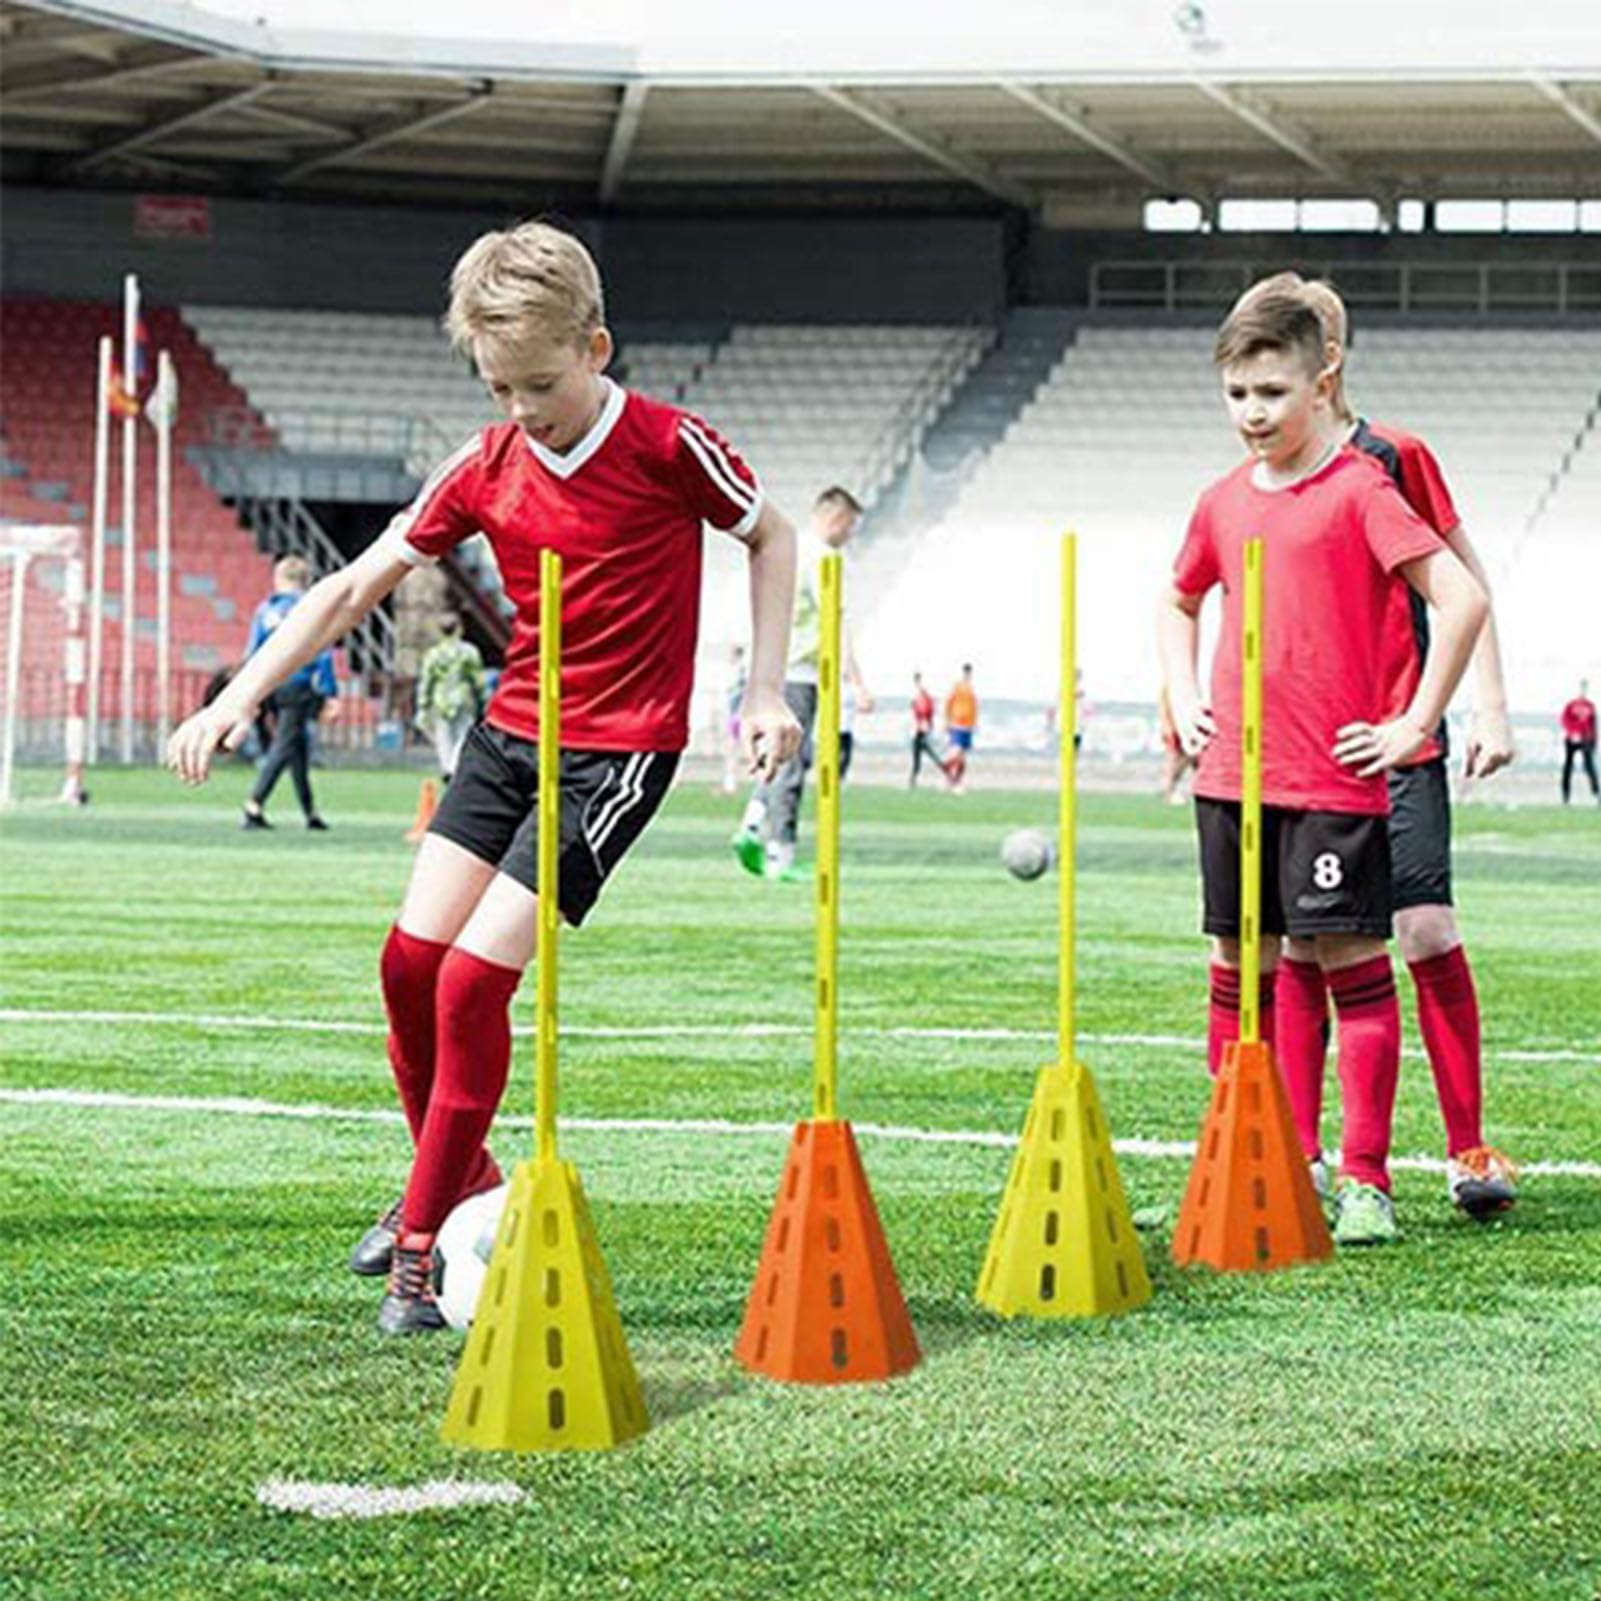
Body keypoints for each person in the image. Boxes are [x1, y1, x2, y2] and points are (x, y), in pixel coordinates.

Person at [169, 220, 802, 1333]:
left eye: (539, 384)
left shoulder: (668, 445)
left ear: (595, 348)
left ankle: (420, 1248)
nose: (520, 407)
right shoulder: (482, 463)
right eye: (498, 387)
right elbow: (349, 587)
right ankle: (454, 1183)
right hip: (509, 739)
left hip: (615, 755)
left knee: (470, 985)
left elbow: (772, 535)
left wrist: (761, 691)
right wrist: (237, 697)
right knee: (407, 966)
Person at [1158, 285, 1487, 1247]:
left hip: (1332, 782)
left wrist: (1412, 720)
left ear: (1320, 383)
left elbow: (1462, 597)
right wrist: (1179, 692)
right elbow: (1177, 598)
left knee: (1351, 965)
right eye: (1236, 394)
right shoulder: (1219, 501)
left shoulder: (1359, 488)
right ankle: (1248, 1159)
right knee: (1237, 967)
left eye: (1270, 392)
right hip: (1232, 781)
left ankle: (1365, 1178)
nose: (1251, 412)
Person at [1232, 274, 1521, 1218]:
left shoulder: (1394, 457)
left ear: (1327, 359)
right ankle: (1305, 1156)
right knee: (1305, 944)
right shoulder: (1265, 470)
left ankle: (1467, 1145)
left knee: (1424, 926)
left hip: (1397, 744)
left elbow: (1466, 585)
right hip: (1302, 757)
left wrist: (1487, 709)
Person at [732, 485, 873, 881]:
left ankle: (753, 822)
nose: (850, 534)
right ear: (836, 518)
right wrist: (857, 681)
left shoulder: (791, 549)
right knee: (791, 762)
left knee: (787, 756)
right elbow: (834, 623)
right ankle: (780, 850)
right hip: (801, 672)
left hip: (777, 667)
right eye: (850, 525)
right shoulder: (824, 558)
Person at [240, 555, 338, 831]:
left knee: (298, 746)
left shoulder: (266, 610)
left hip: (270, 683)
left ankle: (310, 812)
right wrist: (330, 692)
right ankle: (254, 803)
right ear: (306, 580)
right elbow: (322, 652)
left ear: (278, 579)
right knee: (285, 744)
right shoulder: (309, 608)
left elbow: (253, 650)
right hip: (298, 682)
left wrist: (249, 690)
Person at [414, 611, 487, 782]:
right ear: (459, 629)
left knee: (443, 737)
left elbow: (427, 681)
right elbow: (478, 680)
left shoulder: (434, 654)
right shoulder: (468, 652)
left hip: (441, 700)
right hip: (463, 699)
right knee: (463, 735)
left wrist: (423, 705)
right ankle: (455, 765)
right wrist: (483, 699)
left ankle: (447, 767)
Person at [1560, 679, 1599, 805]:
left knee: (1589, 766)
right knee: (1568, 766)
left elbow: (1593, 725)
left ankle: (1596, 792)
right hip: (1571, 739)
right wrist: (1573, 733)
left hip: (1585, 739)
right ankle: (1565, 795)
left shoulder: (1590, 706)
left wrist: (1593, 742)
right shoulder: (1571, 705)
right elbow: (1565, 720)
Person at [943, 663, 978, 792]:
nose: (967, 675)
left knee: (962, 757)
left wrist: (974, 723)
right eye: (965, 672)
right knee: (955, 753)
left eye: (969, 673)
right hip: (956, 724)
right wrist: (947, 721)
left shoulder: (971, 689)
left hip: (968, 727)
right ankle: (949, 776)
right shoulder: (957, 687)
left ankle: (957, 781)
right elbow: (948, 704)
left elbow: (974, 708)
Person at [908, 671, 942, 787]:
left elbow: (926, 712)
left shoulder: (926, 702)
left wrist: (918, 683)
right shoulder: (921, 702)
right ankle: (912, 781)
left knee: (929, 757)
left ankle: (912, 780)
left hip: (922, 734)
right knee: (920, 760)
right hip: (919, 734)